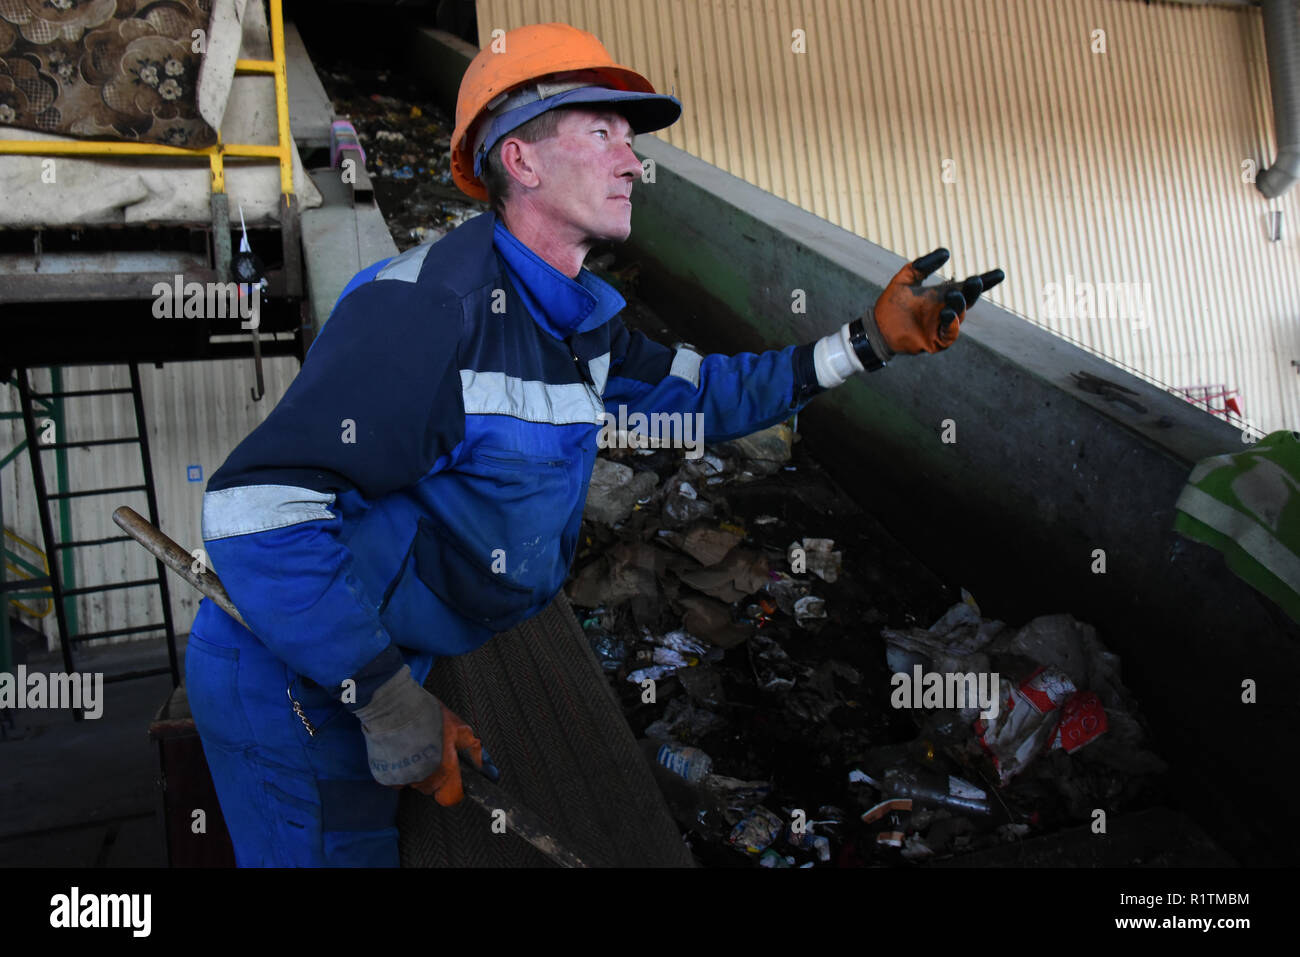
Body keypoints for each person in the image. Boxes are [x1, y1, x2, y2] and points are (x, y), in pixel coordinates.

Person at [185, 21, 1003, 867]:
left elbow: (705, 393)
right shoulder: (430, 315)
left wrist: (863, 341)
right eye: (602, 132)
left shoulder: (581, 320)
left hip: (387, 646)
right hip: (293, 673)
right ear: (521, 161)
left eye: (631, 138)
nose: (631, 161)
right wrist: (384, 696)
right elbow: (255, 509)